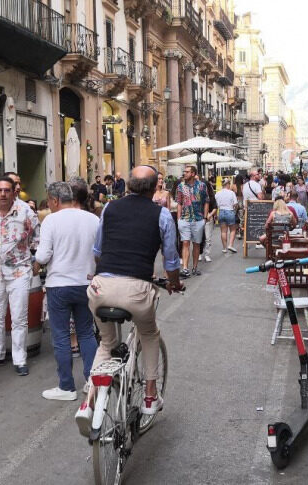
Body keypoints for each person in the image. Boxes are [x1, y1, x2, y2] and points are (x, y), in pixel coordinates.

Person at [76, 166, 183, 433]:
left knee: (107, 342)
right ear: (153, 188)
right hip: (136, 289)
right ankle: (149, 395)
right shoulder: (161, 215)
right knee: (149, 333)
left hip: (100, 287)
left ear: (131, 185)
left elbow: (98, 250)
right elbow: (170, 258)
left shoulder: (110, 209)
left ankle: (87, 402)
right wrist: (173, 282)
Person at [35, 182, 100, 401]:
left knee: (61, 336)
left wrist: (37, 261)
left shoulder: (50, 220)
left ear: (54, 200)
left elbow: (43, 256)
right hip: (86, 282)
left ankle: (66, 386)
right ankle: (92, 381)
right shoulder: (93, 219)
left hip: (59, 284)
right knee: (86, 333)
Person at [0, 177, 39, 376]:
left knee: (19, 317)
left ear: (14, 192)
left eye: (7, 190)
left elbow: (38, 237)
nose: (3, 194)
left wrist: (34, 260)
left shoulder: (25, 212)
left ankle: (19, 359)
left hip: (19, 270)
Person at [174, 165, 208, 277]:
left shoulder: (202, 186)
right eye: (184, 172)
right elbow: (179, 202)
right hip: (184, 218)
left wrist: (205, 217)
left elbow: (206, 201)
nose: (185, 173)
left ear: (193, 173)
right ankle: (184, 268)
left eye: (187, 172)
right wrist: (179, 219)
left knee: (197, 244)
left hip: (198, 219)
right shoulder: (181, 186)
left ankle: (195, 267)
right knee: (185, 242)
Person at [215, 180, 239, 253]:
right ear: (228, 184)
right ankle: (230, 245)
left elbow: (216, 205)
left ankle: (224, 248)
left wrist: (216, 215)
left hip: (221, 211)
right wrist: (235, 210)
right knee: (233, 230)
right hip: (230, 211)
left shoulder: (217, 193)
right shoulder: (231, 193)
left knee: (223, 231)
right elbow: (235, 204)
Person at [201, 176, 217, 263]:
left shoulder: (211, 197)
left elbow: (215, 207)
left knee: (208, 237)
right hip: (199, 218)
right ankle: (199, 253)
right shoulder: (198, 195)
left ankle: (207, 254)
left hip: (208, 218)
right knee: (199, 237)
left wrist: (210, 215)